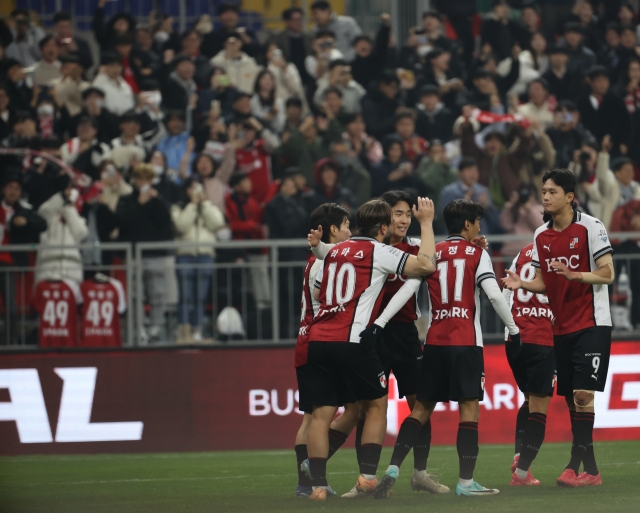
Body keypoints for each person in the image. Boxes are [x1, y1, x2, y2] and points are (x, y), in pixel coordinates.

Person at [374, 198, 521, 499]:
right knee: (468, 411)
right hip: (466, 343)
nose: (480, 228)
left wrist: (380, 321)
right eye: (477, 222)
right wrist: (514, 328)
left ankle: (393, 467)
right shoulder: (477, 254)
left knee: (420, 409)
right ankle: (466, 482)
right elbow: (494, 295)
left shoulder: (431, 253)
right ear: (467, 225)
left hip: (435, 343)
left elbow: (407, 290)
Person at [310, 191, 453, 498]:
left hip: (399, 333)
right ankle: (364, 479)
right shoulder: (379, 251)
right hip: (367, 335)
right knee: (366, 407)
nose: (402, 220)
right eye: (396, 214)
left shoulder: (412, 246)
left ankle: (419, 473)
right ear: (383, 222)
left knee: (419, 402)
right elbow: (425, 266)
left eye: (406, 214)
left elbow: (442, 260)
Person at [502, 168, 615, 488]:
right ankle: (582, 468)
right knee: (570, 401)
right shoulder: (541, 235)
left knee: (581, 395)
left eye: (552, 191)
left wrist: (577, 275)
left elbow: (607, 274)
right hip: (561, 327)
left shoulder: (591, 226)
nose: (545, 196)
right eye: (543, 191)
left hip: (592, 321)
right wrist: (521, 282)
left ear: (569, 196)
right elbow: (543, 283)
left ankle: (585, 469)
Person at [293, 202, 351, 497]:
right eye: (346, 226)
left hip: (306, 340)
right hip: (321, 340)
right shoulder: (325, 262)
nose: (350, 232)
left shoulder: (317, 260)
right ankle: (314, 476)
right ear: (333, 230)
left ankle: (307, 483)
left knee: (311, 417)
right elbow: (323, 294)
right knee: (323, 416)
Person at [503, 241, 555, 486]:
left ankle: (518, 457)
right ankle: (522, 473)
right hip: (542, 338)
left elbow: (506, 291)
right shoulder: (560, 252)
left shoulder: (523, 251)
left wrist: (511, 329)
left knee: (528, 399)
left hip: (514, 339)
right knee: (539, 408)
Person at [171, 176, 226, 344]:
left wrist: (204, 205)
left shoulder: (209, 207)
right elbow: (181, 225)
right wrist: (193, 205)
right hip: (185, 255)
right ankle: (183, 332)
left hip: (205, 255)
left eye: (198, 188)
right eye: (191, 188)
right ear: (186, 190)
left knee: (200, 297)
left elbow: (218, 223)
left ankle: (197, 331)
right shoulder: (178, 207)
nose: (194, 192)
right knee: (185, 296)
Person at [0, 174, 47, 344]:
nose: (13, 192)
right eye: (10, 187)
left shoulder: (24, 210)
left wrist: (25, 221)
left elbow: (43, 224)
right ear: (4, 189)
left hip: (8, 263)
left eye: (17, 189)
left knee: (11, 307)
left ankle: (10, 342)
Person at [35, 175, 88, 285]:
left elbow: (81, 233)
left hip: (71, 272)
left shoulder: (78, 218)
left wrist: (68, 208)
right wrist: (62, 199)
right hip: (49, 270)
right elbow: (44, 212)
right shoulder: (49, 213)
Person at [577, 66, 630, 158]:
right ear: (591, 82)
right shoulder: (582, 101)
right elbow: (575, 120)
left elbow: (626, 123)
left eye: (605, 81)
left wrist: (624, 142)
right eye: (599, 81)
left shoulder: (616, 101)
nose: (603, 84)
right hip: (588, 147)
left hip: (612, 146)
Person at [439, 158, 501, 236]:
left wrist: (487, 206)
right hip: (456, 237)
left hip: (480, 237)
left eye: (475, 170)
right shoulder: (449, 192)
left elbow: (495, 222)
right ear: (459, 173)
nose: (473, 174)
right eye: (469, 170)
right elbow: (444, 218)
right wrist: (462, 206)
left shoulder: (483, 191)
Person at [269, 7, 313, 85]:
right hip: (287, 78)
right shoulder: (278, 38)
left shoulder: (309, 38)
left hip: (307, 78)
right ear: (287, 22)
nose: (299, 23)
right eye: (296, 20)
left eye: (301, 19)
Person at [499, 183, 544, 257]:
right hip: (512, 251)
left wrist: (529, 210)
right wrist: (509, 206)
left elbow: (541, 226)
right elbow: (505, 225)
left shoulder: (540, 209)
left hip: (532, 251)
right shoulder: (512, 208)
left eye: (529, 195)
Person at [350, 14, 392, 90]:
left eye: (365, 44)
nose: (363, 46)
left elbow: (381, 45)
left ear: (371, 47)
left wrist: (385, 27)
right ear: (355, 48)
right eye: (360, 44)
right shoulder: (351, 66)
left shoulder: (377, 61)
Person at [361, 71, 403, 140]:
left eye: (396, 88)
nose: (395, 91)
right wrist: (396, 117)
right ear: (382, 85)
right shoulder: (369, 103)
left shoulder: (394, 100)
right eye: (393, 87)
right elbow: (373, 129)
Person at [92, 52, 135, 116]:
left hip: (125, 119)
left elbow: (130, 106)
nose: (116, 69)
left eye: (118, 65)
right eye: (112, 65)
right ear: (104, 67)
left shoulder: (125, 85)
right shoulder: (98, 84)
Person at [251, 69, 286, 134]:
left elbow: (280, 126)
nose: (267, 81)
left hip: (275, 134)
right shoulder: (253, 101)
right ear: (258, 81)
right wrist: (269, 116)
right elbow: (256, 119)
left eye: (270, 79)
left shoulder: (279, 102)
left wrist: (275, 114)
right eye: (264, 78)